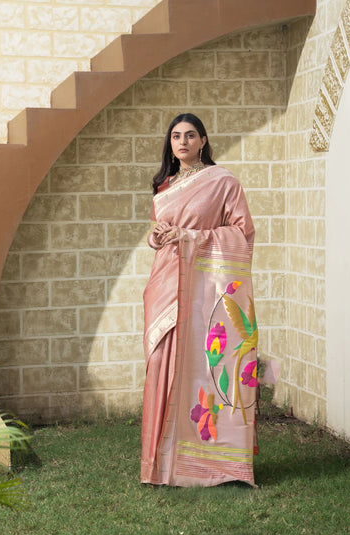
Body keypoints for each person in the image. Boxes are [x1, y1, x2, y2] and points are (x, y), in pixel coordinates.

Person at [141, 113, 258, 487]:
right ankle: (160, 465)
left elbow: (242, 233)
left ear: (203, 141)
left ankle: (211, 463)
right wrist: (157, 237)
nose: (183, 142)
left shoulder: (222, 182)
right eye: (176, 136)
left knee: (206, 363)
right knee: (160, 359)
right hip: (165, 281)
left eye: (191, 135)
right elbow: (159, 230)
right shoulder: (165, 184)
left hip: (203, 287)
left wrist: (189, 237)